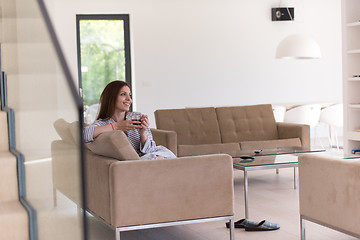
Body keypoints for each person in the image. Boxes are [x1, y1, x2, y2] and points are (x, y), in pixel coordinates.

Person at [83, 80, 176, 160]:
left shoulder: (137, 116)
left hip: (149, 156)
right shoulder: (103, 123)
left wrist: (143, 133)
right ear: (111, 98)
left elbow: (151, 149)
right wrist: (116, 126)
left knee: (167, 156)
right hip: (133, 163)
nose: (129, 99)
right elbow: (84, 135)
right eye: (123, 94)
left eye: (130, 95)